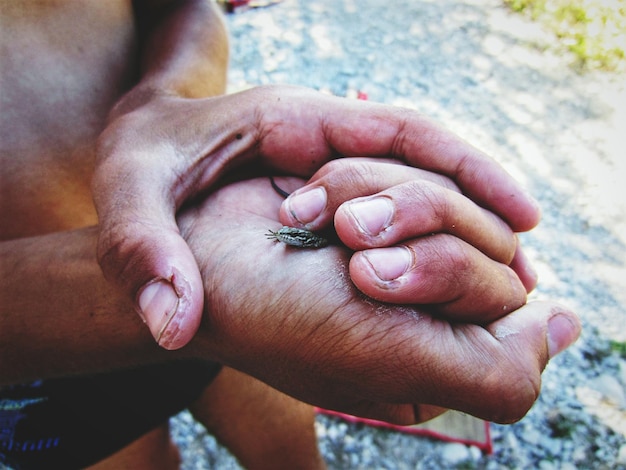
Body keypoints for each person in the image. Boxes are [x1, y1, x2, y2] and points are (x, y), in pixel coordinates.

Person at [0, 1, 581, 468]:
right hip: (50, 362)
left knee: (288, 453)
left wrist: (158, 103)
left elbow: (188, 8)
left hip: (231, 291)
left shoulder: (254, 278)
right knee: (146, 455)